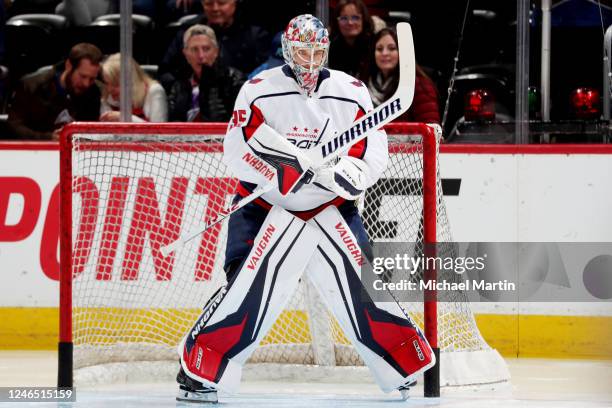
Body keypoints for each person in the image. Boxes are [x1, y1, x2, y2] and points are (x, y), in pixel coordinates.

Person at [175, 14, 434, 404]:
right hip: (266, 207)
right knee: (244, 289)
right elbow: (237, 148)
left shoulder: (351, 90)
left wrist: (351, 173)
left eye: (317, 50)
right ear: (286, 49)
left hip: (331, 208)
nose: (310, 59)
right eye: (302, 50)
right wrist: (279, 169)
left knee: (362, 288)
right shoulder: (258, 89)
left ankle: (396, 365)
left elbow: (371, 146)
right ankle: (201, 370)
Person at [158, 0, 269, 91]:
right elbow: (165, 72)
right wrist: (182, 88)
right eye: (209, 4)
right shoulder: (187, 31)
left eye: (221, 3)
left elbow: (264, 75)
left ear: (235, 2)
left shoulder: (254, 35)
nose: (215, 8)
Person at [7, 42, 102, 140]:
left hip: (75, 151)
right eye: (82, 76)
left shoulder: (93, 92)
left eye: (92, 79)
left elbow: (91, 132)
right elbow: (14, 127)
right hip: (33, 151)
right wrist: (48, 138)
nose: (86, 83)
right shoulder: (31, 85)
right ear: (69, 66)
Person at [167, 24, 244, 122]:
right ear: (185, 53)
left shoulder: (233, 79)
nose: (201, 55)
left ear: (216, 51)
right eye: (194, 49)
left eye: (206, 49)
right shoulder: (179, 85)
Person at [367, 27, 441, 124]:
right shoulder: (364, 85)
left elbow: (431, 128)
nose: (384, 53)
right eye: (379, 49)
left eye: (392, 48)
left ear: (403, 52)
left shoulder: (420, 85)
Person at [99, 53, 168, 122]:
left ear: (131, 81)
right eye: (107, 83)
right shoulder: (106, 95)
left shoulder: (154, 91)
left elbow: (158, 131)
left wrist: (124, 117)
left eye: (115, 84)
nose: (109, 89)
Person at [327, 0, 374, 80]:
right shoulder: (330, 48)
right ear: (336, 21)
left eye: (355, 17)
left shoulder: (375, 45)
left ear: (364, 19)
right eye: (344, 18)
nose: (350, 22)